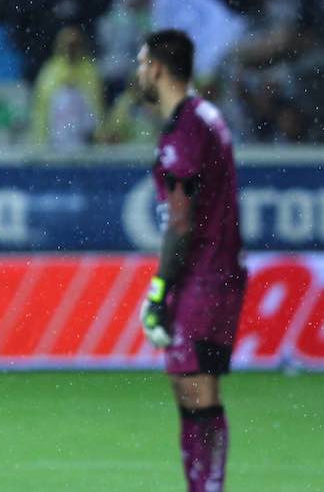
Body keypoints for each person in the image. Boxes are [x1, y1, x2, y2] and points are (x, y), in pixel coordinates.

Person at [136, 30, 247, 492]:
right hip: (211, 274)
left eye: (142, 63)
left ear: (157, 68)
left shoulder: (186, 128)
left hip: (205, 278)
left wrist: (159, 290)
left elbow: (181, 222)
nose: (138, 72)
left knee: (199, 389)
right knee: (189, 387)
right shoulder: (204, 118)